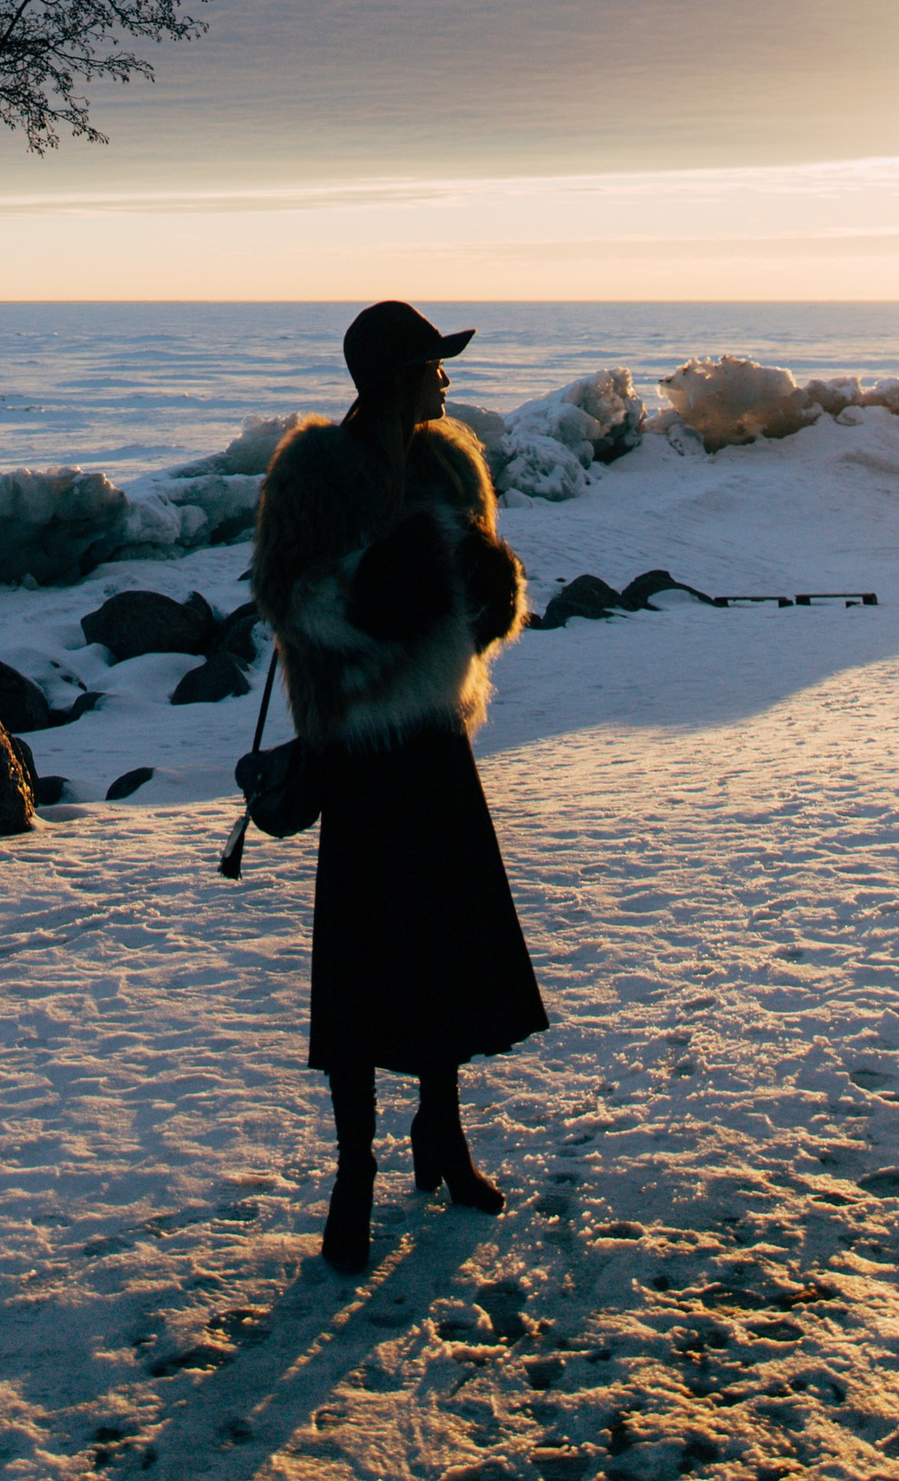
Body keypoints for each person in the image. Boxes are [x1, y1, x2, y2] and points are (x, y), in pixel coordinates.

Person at [251, 299, 547, 1273]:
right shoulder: (310, 472)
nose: (447, 379)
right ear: (391, 375)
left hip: (431, 734)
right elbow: (290, 597)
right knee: (362, 969)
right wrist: (386, 584)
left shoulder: (449, 461)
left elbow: (485, 610)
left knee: (445, 949)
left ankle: (442, 1133)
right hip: (357, 747)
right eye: (433, 362)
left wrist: (483, 581)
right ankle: (352, 1175)